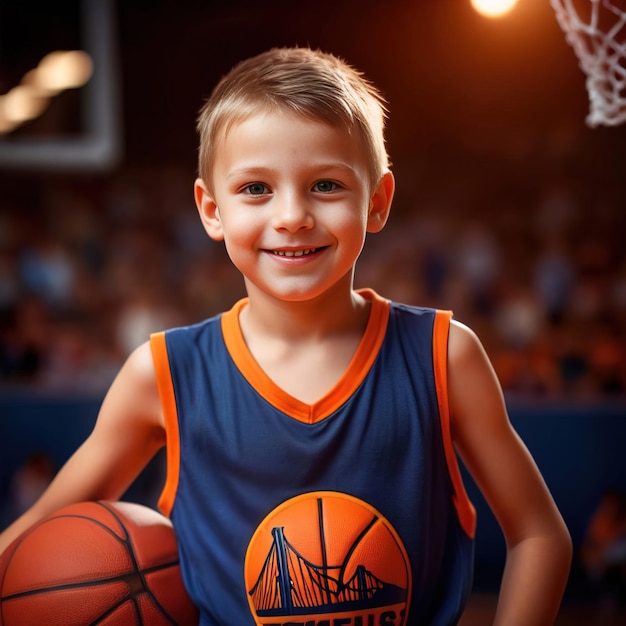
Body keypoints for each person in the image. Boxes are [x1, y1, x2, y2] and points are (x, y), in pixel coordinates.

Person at [0, 47, 571, 625]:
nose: (293, 215)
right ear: (211, 209)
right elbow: (39, 530)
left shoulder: (444, 356)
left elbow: (540, 535)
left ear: (377, 202)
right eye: (255, 189)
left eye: (326, 185)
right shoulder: (165, 372)